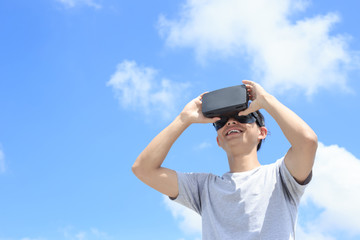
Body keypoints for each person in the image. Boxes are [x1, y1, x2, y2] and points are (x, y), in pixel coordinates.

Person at [132, 80, 318, 239]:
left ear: (262, 132)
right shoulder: (203, 188)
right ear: (219, 140)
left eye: (242, 116)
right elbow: (143, 169)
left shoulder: (281, 176)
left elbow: (307, 142)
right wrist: (183, 119)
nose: (230, 122)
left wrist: (267, 101)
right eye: (221, 122)